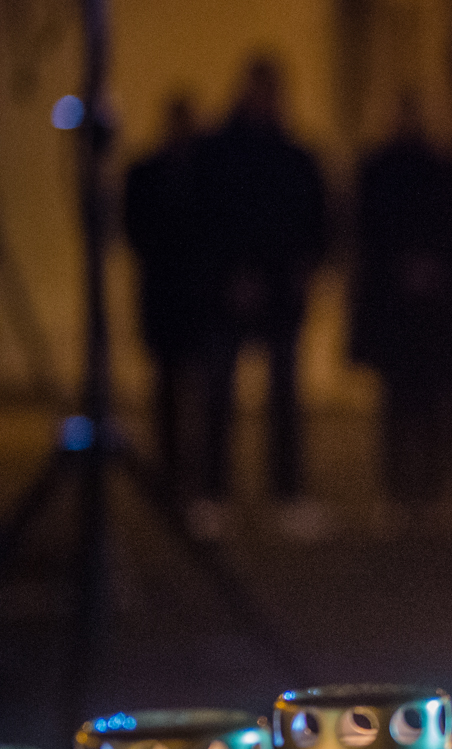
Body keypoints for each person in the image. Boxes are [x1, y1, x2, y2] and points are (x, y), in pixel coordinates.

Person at [191, 56, 328, 538]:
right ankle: (213, 493)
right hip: (227, 292)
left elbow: (317, 221)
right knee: (219, 398)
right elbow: (203, 221)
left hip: (281, 296)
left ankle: (287, 492)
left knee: (284, 400)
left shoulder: (294, 156)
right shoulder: (219, 153)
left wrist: (304, 268)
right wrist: (230, 274)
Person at [351, 94, 452, 517]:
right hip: (397, 305)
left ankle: (427, 485)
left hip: (426, 308)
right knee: (399, 400)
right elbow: (367, 231)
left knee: (429, 399)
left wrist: (430, 268)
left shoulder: (438, 170)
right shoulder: (381, 169)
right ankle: (398, 485)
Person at [124, 94, 202, 485]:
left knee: (197, 383)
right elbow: (133, 227)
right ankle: (170, 462)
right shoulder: (147, 173)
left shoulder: (204, 174)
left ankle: (194, 464)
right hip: (165, 292)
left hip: (195, 295)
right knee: (168, 383)